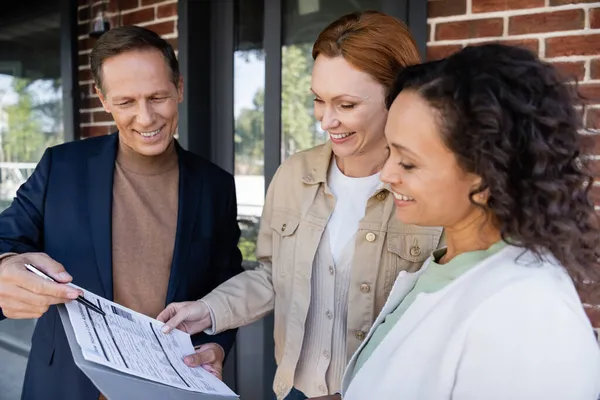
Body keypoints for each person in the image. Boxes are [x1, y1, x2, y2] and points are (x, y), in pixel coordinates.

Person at [157, 11, 443, 400]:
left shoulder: (434, 188)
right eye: (318, 101)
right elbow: (275, 276)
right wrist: (208, 310)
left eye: (346, 105)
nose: (326, 121)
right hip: (296, 390)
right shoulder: (294, 174)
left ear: (397, 98)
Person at [340, 43, 600, 400]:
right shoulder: (446, 264)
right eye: (390, 151)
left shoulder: (529, 317)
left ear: (485, 174)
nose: (386, 174)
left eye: (408, 162)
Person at [0, 26, 243, 400]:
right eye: (126, 102)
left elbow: (226, 285)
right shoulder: (60, 167)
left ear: (179, 88)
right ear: (103, 99)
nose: (145, 118)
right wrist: (5, 267)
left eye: (158, 97)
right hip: (63, 386)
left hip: (171, 386)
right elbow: (7, 239)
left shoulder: (216, 185)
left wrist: (220, 344)